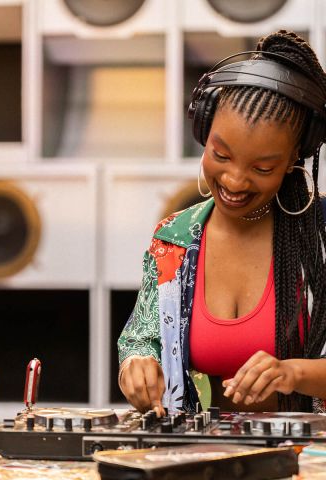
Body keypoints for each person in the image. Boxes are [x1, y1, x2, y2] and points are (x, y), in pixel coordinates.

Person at [117, 30, 326, 415]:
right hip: (201, 457)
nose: (234, 181)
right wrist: (136, 364)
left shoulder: (321, 238)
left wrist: (293, 372)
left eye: (262, 167)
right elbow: (141, 338)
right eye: (221, 155)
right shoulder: (174, 239)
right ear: (203, 133)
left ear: (294, 158)